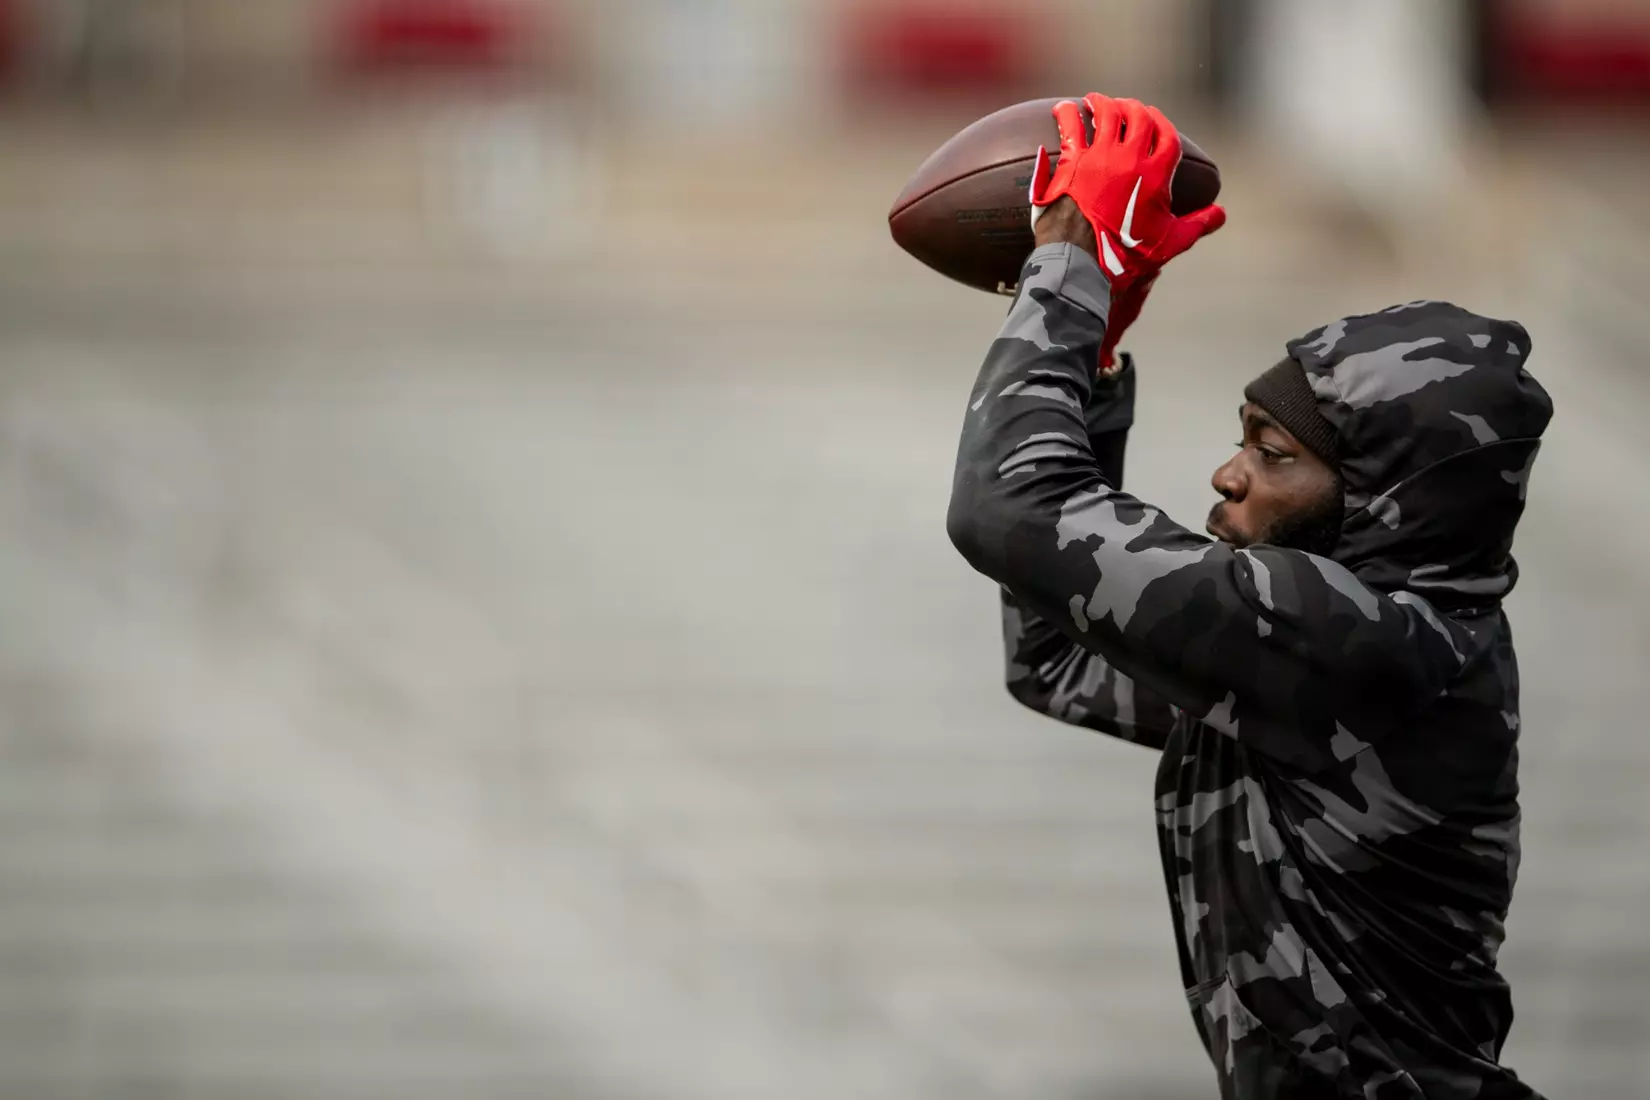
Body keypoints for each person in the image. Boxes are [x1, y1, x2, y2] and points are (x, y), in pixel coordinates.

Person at [945, 94, 1552, 1099]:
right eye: (1244, 437)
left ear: (1384, 505)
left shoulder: (1362, 643)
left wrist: (1069, 271)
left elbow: (1002, 508)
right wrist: (1090, 363)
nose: (1229, 474)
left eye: (1272, 454)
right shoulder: (1333, 650)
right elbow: (1055, 657)